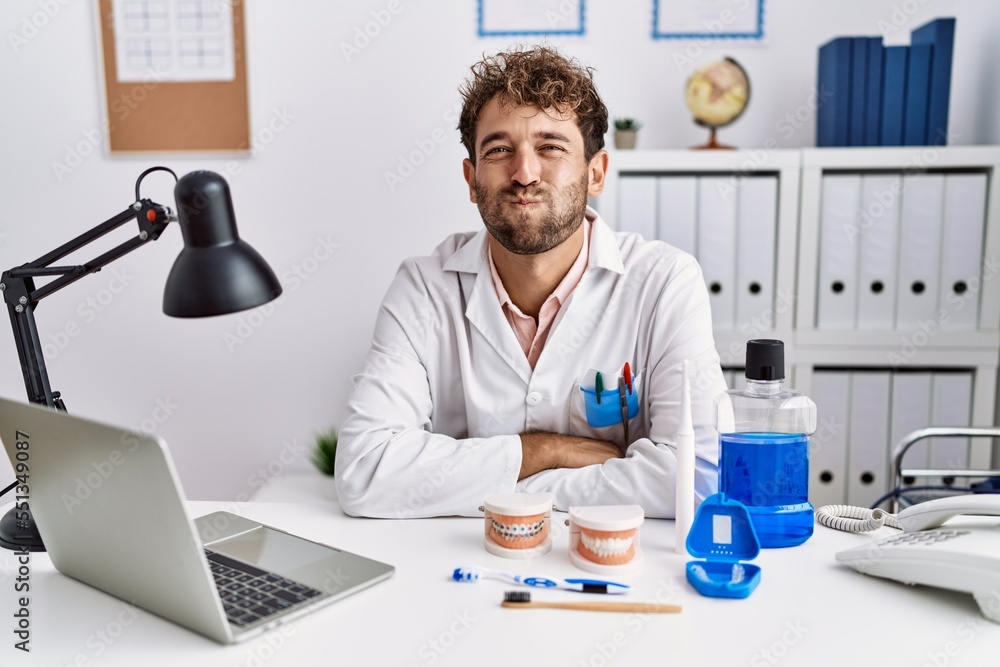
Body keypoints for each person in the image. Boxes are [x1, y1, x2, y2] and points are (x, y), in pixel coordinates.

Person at [335, 46, 726, 518]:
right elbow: (364, 472)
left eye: (550, 147)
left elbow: (699, 475)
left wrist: (503, 486)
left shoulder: (664, 284)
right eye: (499, 150)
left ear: (596, 172)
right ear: (471, 179)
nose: (524, 173)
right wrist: (544, 451)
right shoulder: (422, 288)